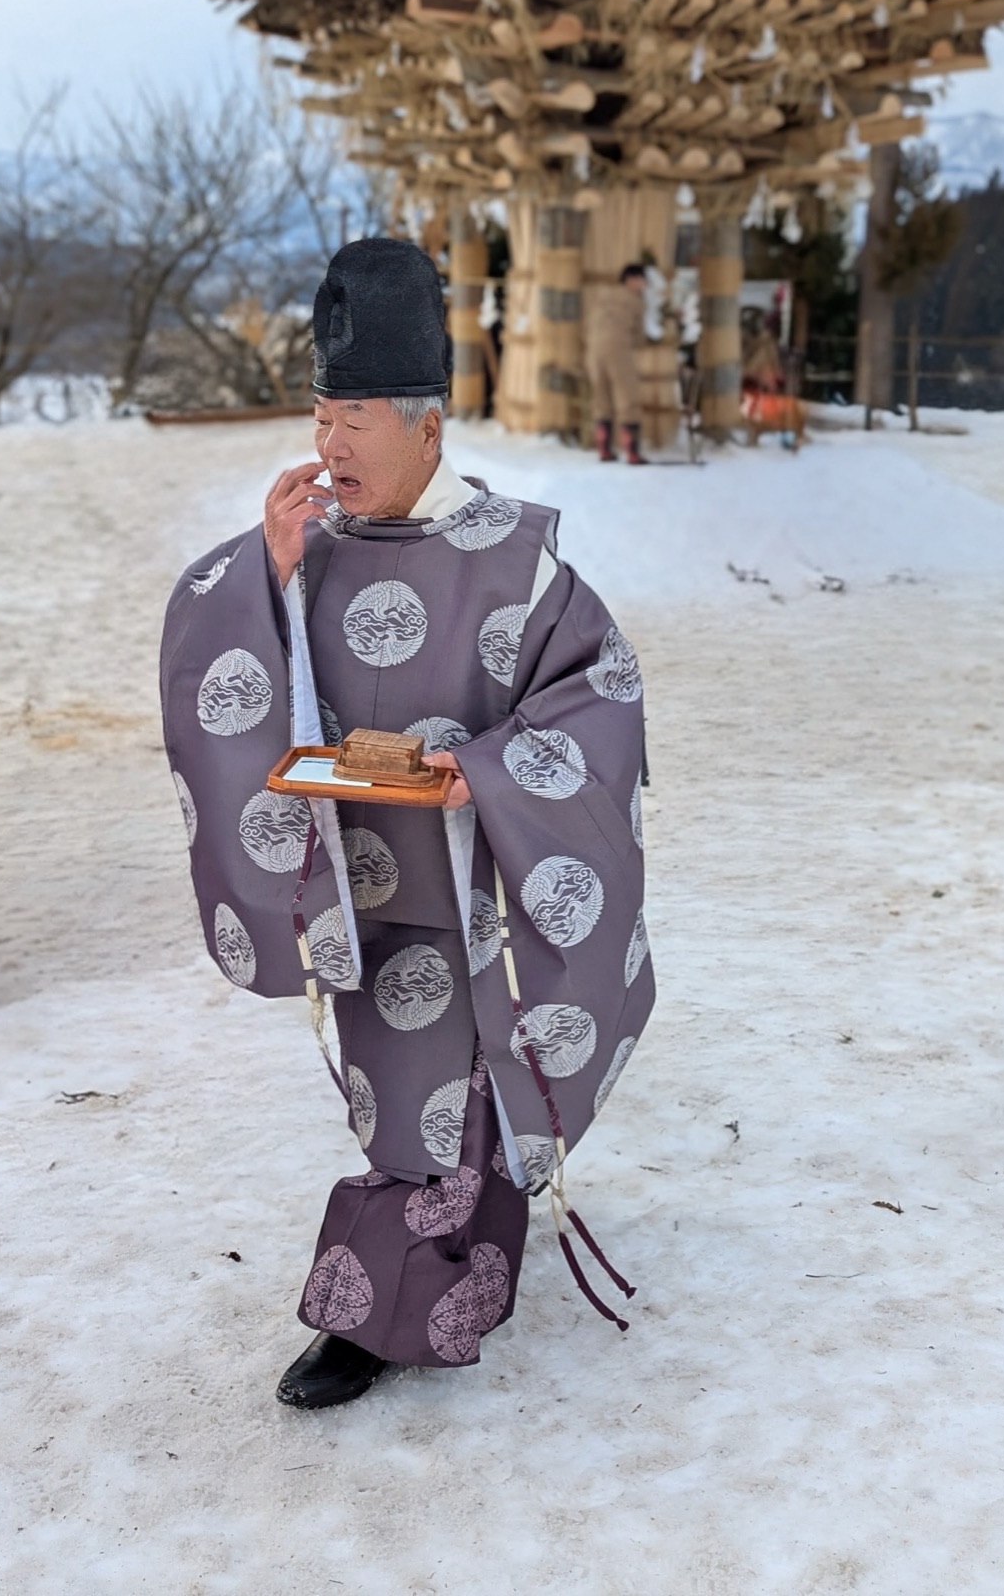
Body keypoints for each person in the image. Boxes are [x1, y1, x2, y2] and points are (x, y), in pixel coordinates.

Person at [160, 238, 655, 1410]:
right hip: (358, 890)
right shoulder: (309, 552)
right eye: (319, 415)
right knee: (419, 1102)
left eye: (356, 418)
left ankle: (370, 1315)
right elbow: (220, 678)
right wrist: (263, 575)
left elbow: (600, 704)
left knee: (443, 1107)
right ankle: (461, 1267)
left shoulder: (520, 563)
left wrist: (481, 773)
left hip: (484, 900)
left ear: (427, 427)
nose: (327, 445)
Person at [585, 263, 649, 465]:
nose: (643, 284)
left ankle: (604, 449)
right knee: (627, 398)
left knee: (601, 399)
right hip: (618, 350)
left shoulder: (602, 296)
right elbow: (639, 337)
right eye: (641, 280)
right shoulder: (635, 300)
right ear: (631, 280)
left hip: (593, 351)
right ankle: (632, 452)